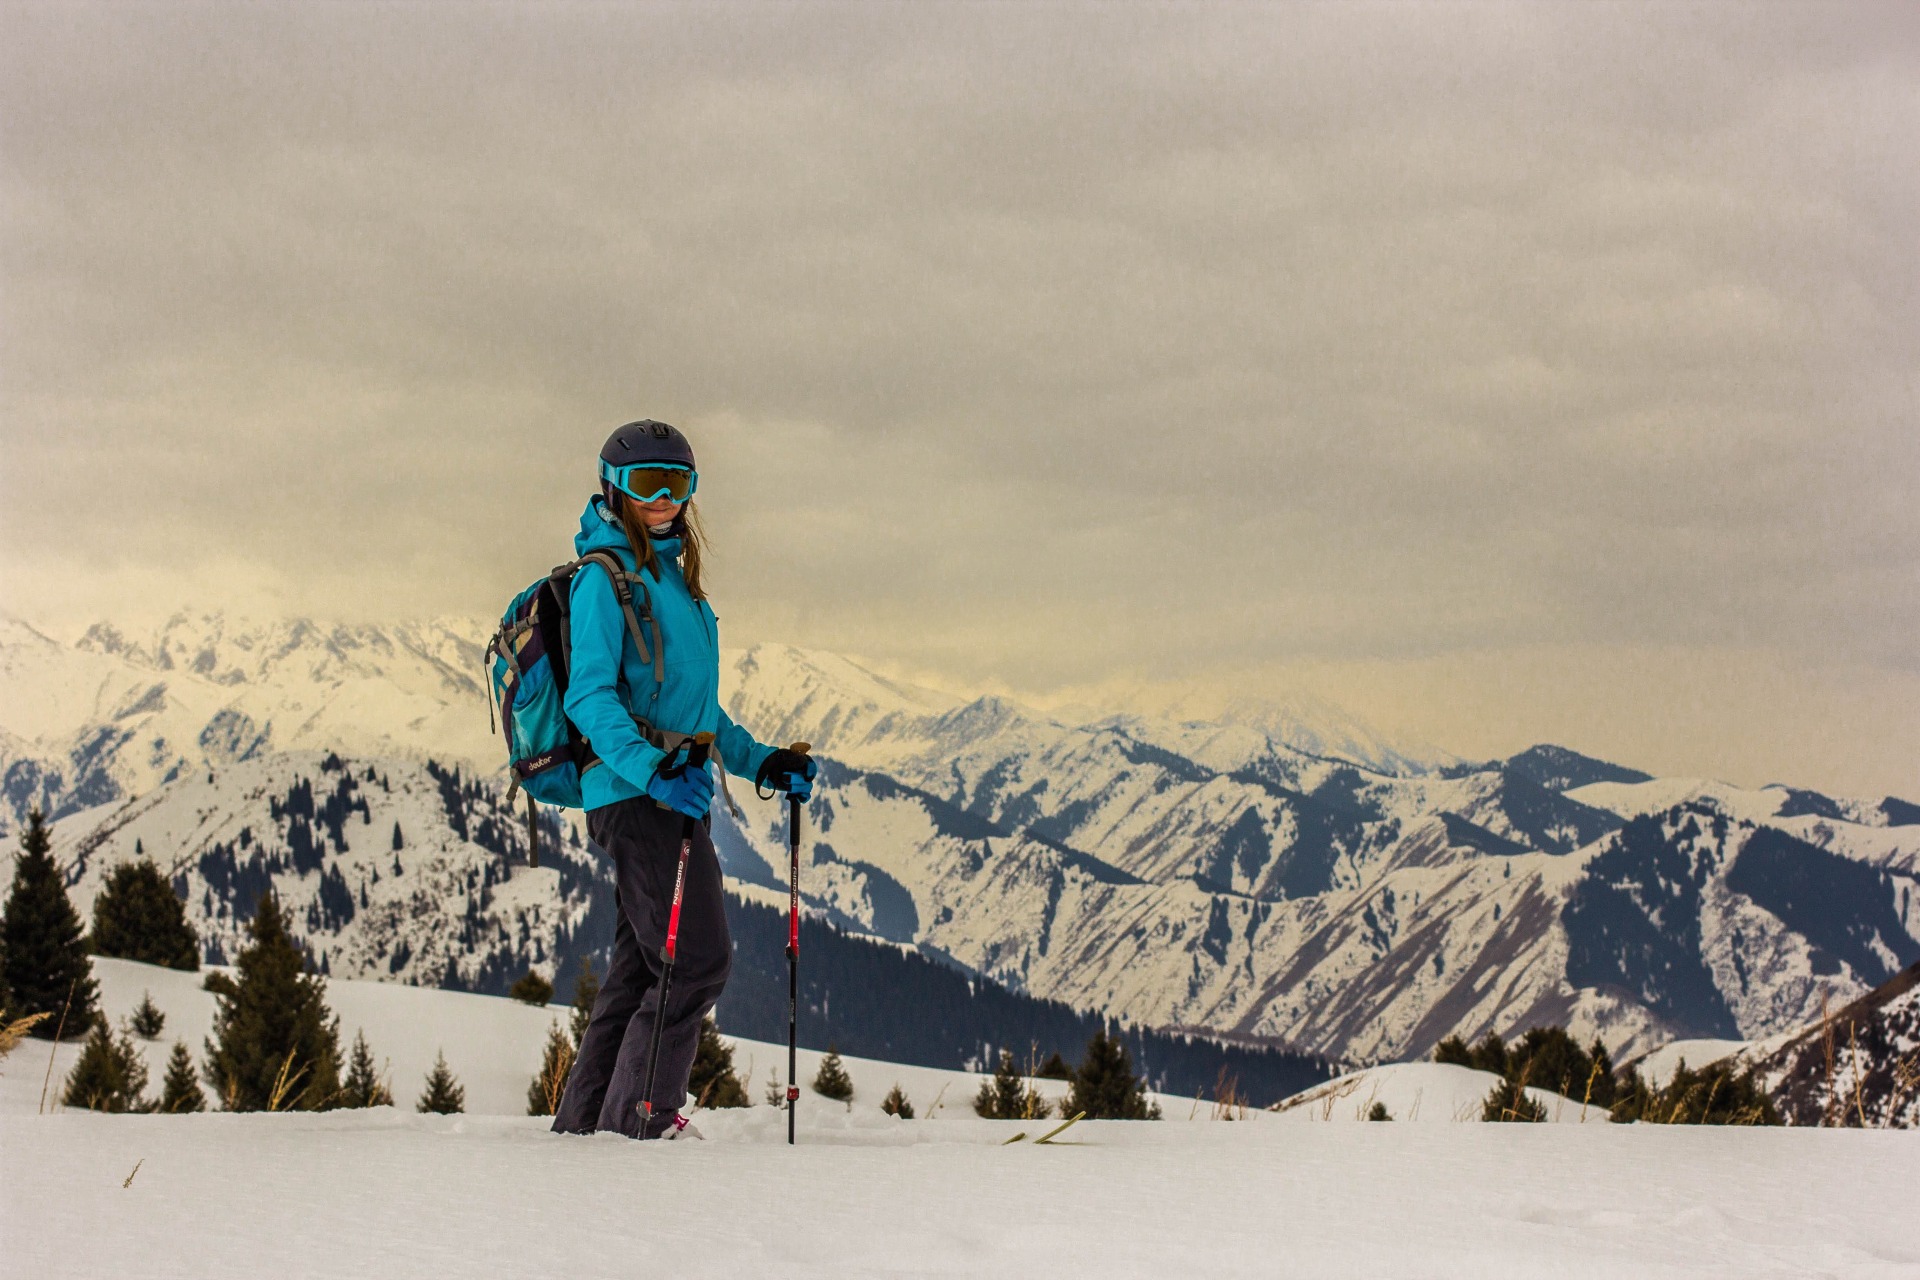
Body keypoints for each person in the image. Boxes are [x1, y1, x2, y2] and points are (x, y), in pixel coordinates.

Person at [551, 419, 816, 1140]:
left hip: (671, 792)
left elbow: (697, 714)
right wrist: (654, 772)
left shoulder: (674, 581)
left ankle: (585, 1130)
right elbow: (590, 698)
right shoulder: (604, 581)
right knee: (697, 959)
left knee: (641, 970)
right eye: (648, 485)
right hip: (639, 797)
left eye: (679, 483)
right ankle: (645, 1119)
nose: (665, 499)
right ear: (615, 489)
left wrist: (762, 761)